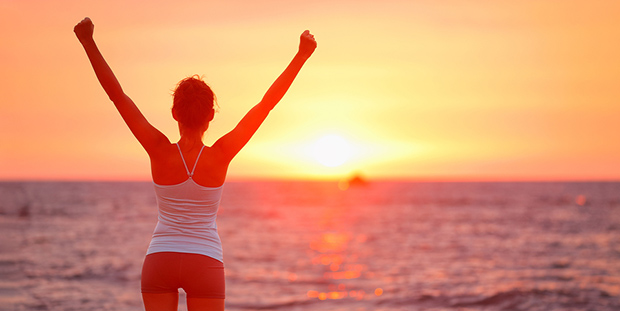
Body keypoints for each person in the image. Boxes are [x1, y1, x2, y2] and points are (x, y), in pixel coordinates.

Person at [74, 17, 316, 311]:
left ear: (174, 112)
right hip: (205, 262)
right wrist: (301, 55)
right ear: (211, 116)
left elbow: (117, 96)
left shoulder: (158, 149)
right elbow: (266, 104)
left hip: (160, 258)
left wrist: (88, 41)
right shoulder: (221, 154)